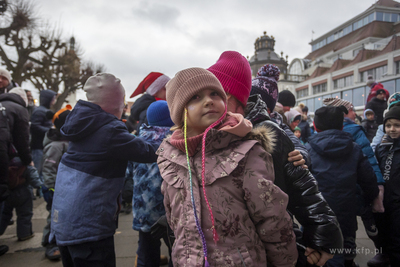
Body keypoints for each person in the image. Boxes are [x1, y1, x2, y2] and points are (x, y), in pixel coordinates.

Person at [208, 54, 341, 266]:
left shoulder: (265, 129)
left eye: (216, 93)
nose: (208, 101)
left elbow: (303, 188)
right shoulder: (204, 132)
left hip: (263, 244)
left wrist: (323, 236)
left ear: (236, 97)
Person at [158, 67, 297, 266]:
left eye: (215, 93)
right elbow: (174, 217)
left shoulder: (246, 152)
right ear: (180, 111)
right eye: (195, 97)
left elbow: (273, 218)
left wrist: (284, 262)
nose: (208, 100)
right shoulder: (170, 158)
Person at [50, 73, 158, 267]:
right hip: (89, 225)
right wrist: (171, 139)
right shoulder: (109, 131)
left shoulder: (82, 123)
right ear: (115, 102)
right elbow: (148, 152)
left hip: (65, 221)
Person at [306, 105, 380, 267]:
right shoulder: (354, 148)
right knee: (345, 248)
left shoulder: (308, 150)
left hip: (317, 214)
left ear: (316, 127)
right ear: (341, 126)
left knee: (320, 252)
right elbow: (369, 181)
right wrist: (366, 202)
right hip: (347, 211)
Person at [128, 100, 174, 267]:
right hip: (169, 211)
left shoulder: (137, 140)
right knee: (176, 251)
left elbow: (128, 172)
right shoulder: (175, 141)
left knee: (146, 253)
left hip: (143, 209)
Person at [0, 87, 32, 257]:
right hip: (7, 161)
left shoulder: (2, 106)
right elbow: (22, 140)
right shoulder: (19, 110)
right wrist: (28, 162)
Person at [41, 105, 72, 261]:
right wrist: (50, 188)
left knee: (64, 216)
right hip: (54, 188)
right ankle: (49, 243)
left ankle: (61, 241)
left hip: (67, 188)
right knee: (54, 216)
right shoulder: (55, 145)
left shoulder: (69, 141)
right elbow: (49, 168)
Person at [374, 104, 400, 266]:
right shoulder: (382, 147)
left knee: (397, 238)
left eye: (397, 125)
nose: (392, 129)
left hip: (398, 202)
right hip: (385, 202)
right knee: (384, 234)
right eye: (388, 125)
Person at [0, 161, 42, 241]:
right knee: (24, 214)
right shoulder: (27, 166)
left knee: (5, 214)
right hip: (24, 193)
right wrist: (42, 188)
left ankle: (0, 230)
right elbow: (35, 181)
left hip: (7, 193)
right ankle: (24, 234)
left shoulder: (6, 163)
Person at [30, 89, 57, 183]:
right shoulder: (39, 111)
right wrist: (50, 131)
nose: (54, 101)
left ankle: (40, 190)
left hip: (43, 146)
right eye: (53, 99)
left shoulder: (45, 111)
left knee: (41, 171)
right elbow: (34, 126)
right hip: (38, 146)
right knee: (36, 171)